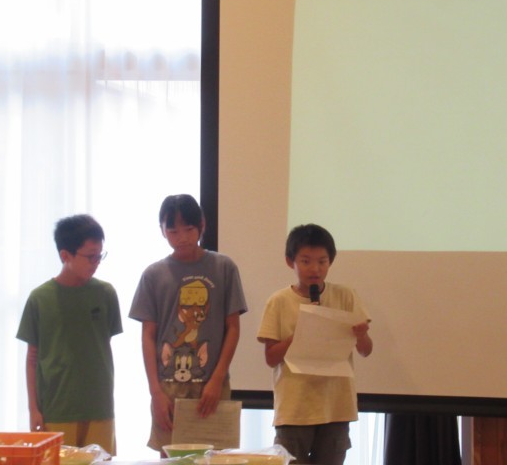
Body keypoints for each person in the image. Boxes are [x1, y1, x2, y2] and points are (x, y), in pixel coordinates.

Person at [129, 194, 248, 454]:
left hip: (212, 384)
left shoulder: (224, 267)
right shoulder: (153, 275)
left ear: (202, 225)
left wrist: (217, 379)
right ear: (162, 230)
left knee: (214, 456)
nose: (181, 237)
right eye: (173, 231)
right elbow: (148, 336)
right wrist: (155, 392)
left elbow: (233, 328)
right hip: (168, 386)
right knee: (171, 456)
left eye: (189, 229)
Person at [257, 223, 373, 465]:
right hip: (294, 410)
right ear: (290, 261)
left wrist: (362, 335)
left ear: (331, 261)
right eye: (306, 261)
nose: (315, 269)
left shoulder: (345, 296)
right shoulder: (278, 301)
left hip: (336, 407)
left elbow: (365, 351)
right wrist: (299, 336)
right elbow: (270, 358)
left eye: (322, 261)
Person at [16, 214, 122, 455]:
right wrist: (34, 409)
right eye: (90, 256)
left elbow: (101, 346)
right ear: (65, 255)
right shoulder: (40, 298)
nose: (96, 262)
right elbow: (32, 358)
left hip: (99, 406)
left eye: (100, 255)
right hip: (56, 408)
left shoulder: (106, 294)